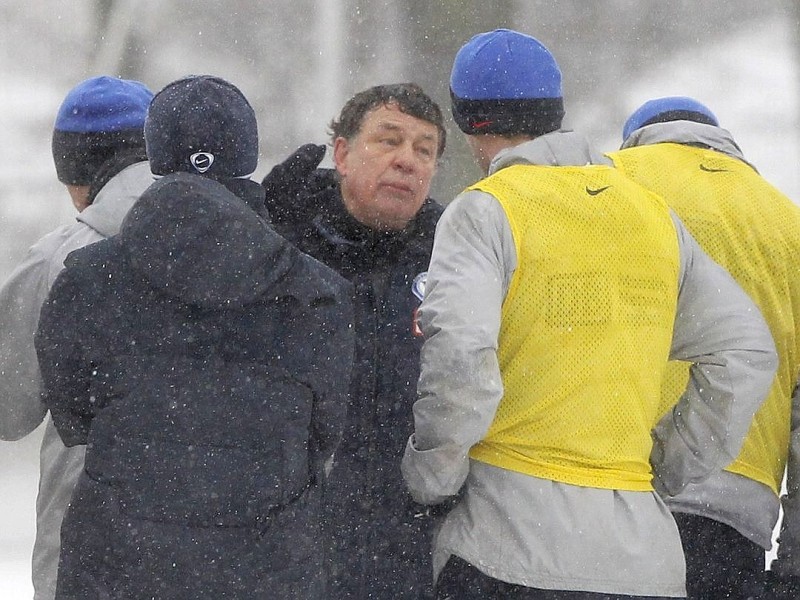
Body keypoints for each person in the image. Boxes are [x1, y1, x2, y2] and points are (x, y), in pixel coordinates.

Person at [400, 29, 778, 599]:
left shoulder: (484, 213)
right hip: (642, 563)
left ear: (466, 120)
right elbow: (747, 354)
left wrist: (431, 477)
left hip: (506, 549)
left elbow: (461, 359)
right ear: (557, 111)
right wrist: (662, 462)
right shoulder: (651, 214)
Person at [34, 75, 354, 599]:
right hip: (268, 569)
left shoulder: (86, 279)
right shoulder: (317, 294)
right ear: (247, 155)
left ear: (155, 156)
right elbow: (323, 432)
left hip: (119, 563)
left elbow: (74, 414)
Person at [608, 96, 800, 599]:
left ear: (636, 140)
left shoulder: (606, 184)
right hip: (735, 510)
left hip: (604, 490)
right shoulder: (790, 224)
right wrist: (794, 568)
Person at [261, 82, 446, 598]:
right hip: (288, 546)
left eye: (424, 149)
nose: (407, 161)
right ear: (342, 153)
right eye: (388, 141)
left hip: (410, 547)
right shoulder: (279, 243)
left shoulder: (456, 254)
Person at [0, 75, 154, 600]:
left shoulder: (54, 262)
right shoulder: (255, 249)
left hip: (91, 549)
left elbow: (8, 407)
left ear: (75, 171)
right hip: (235, 543)